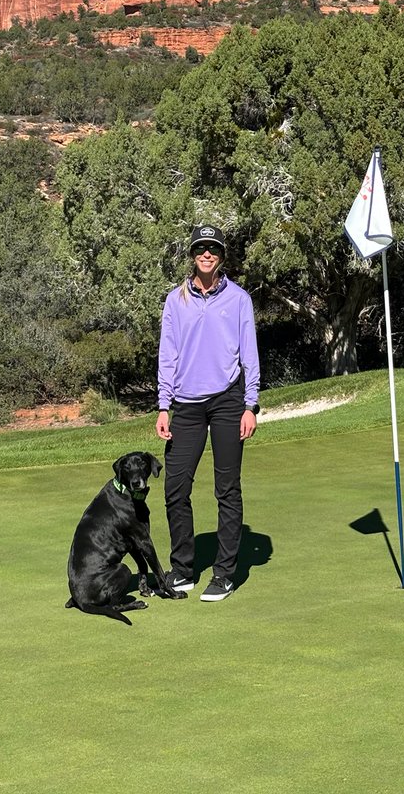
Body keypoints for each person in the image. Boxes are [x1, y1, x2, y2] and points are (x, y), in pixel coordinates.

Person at [156, 225, 261, 601]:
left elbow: (249, 354)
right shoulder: (175, 300)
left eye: (212, 248)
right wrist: (163, 405)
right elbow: (167, 354)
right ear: (192, 254)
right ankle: (183, 569)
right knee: (175, 488)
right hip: (184, 405)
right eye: (200, 248)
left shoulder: (238, 299)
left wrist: (251, 405)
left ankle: (224, 573)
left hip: (227, 402)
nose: (206, 253)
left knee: (227, 489)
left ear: (220, 256)